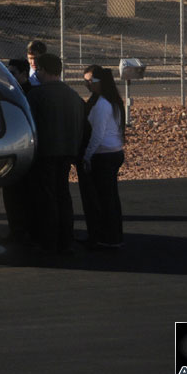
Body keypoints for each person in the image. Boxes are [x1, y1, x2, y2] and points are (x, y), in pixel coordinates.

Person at [25, 53, 84, 253]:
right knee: (63, 195)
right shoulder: (73, 95)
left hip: (45, 153)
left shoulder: (37, 95)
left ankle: (48, 240)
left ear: (43, 70)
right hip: (67, 151)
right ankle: (65, 239)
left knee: (46, 197)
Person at [79, 64, 126, 248]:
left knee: (103, 199)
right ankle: (113, 236)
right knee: (111, 198)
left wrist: (87, 156)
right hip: (114, 152)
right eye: (86, 81)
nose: (88, 85)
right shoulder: (112, 101)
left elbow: (97, 134)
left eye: (91, 81)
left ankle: (107, 237)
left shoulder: (101, 105)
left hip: (104, 155)